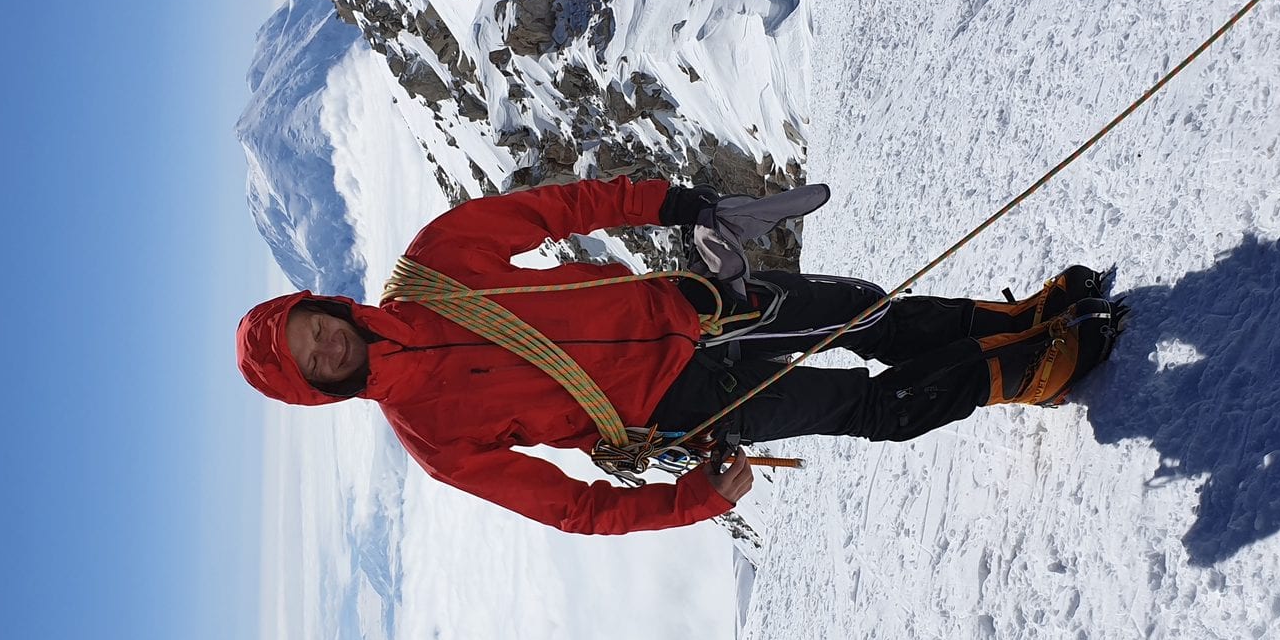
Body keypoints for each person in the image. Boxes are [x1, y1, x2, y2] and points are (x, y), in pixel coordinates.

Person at [236, 176, 1120, 536]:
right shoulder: (430, 435)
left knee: (868, 315)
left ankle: (1017, 320)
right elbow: (570, 507)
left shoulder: (431, 267)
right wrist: (689, 501)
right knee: (867, 409)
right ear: (320, 389)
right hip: (685, 409)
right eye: (312, 359)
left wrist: (676, 204)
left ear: (317, 303)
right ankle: (1029, 372)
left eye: (309, 324)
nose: (325, 342)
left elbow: (561, 209)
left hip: (695, 308)